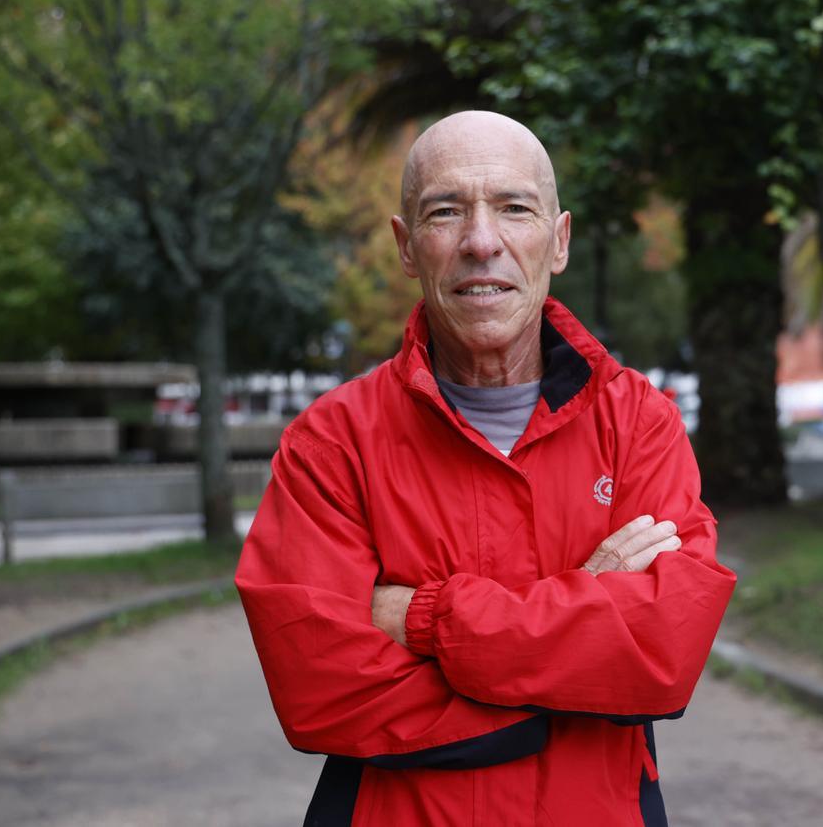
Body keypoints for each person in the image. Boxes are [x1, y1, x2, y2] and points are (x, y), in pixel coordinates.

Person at [236, 110, 737, 827]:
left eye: (514, 209)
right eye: (446, 212)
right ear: (407, 247)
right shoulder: (332, 443)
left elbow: (663, 646)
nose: (481, 241)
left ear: (558, 241)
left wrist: (426, 619)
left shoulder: (636, 425)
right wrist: (581, 633)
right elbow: (318, 685)